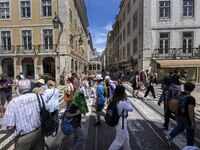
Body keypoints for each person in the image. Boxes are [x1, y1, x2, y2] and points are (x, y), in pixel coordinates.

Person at [1, 79, 46, 150]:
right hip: (39, 133)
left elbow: (10, 127)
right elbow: (44, 112)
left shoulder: (13, 103)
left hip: (23, 138)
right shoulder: (38, 97)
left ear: (18, 88)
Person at [167, 82, 196, 146]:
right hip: (186, 117)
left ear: (184, 87)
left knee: (180, 127)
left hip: (177, 115)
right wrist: (193, 121)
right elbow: (191, 111)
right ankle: (190, 146)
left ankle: (170, 136)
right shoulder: (191, 98)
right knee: (190, 131)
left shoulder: (178, 95)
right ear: (192, 90)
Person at [108, 85, 133, 150]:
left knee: (126, 139)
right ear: (122, 93)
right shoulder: (122, 102)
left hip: (119, 122)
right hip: (122, 123)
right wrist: (127, 99)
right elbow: (131, 109)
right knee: (119, 141)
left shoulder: (115, 100)